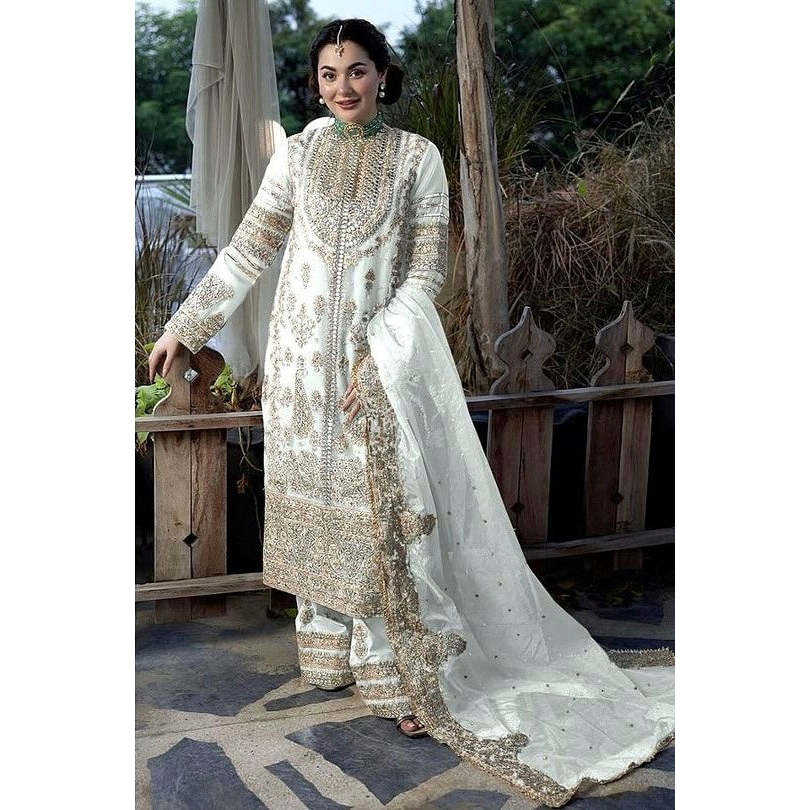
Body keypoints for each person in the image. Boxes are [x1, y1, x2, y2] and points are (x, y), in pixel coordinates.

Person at [148, 18, 674, 807]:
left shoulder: (418, 158)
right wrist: (185, 325)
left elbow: (427, 271)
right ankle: (327, 649)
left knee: (378, 510)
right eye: (329, 74)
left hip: (374, 366)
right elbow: (251, 247)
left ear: (383, 74)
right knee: (313, 500)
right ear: (316, 83)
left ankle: (399, 669)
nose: (343, 87)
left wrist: (380, 357)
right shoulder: (299, 153)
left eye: (357, 70)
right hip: (300, 369)